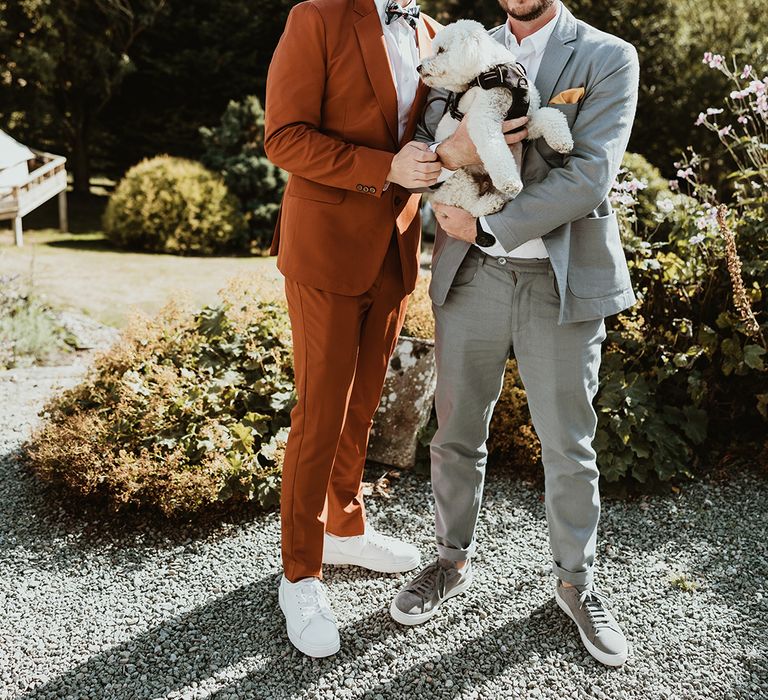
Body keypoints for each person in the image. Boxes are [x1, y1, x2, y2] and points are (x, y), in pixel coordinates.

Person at [390, 0, 639, 668]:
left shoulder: (608, 55)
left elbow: (591, 176)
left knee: (568, 444)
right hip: (472, 277)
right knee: (455, 432)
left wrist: (492, 225)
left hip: (560, 282)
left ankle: (577, 583)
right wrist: (448, 156)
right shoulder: (461, 45)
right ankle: (449, 560)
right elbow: (427, 136)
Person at [264, 0, 442, 658]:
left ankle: (345, 525)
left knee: (361, 410)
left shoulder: (430, 31)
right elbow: (283, 136)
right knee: (321, 416)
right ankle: (300, 572)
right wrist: (384, 169)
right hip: (325, 253)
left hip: (395, 252)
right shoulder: (317, 16)